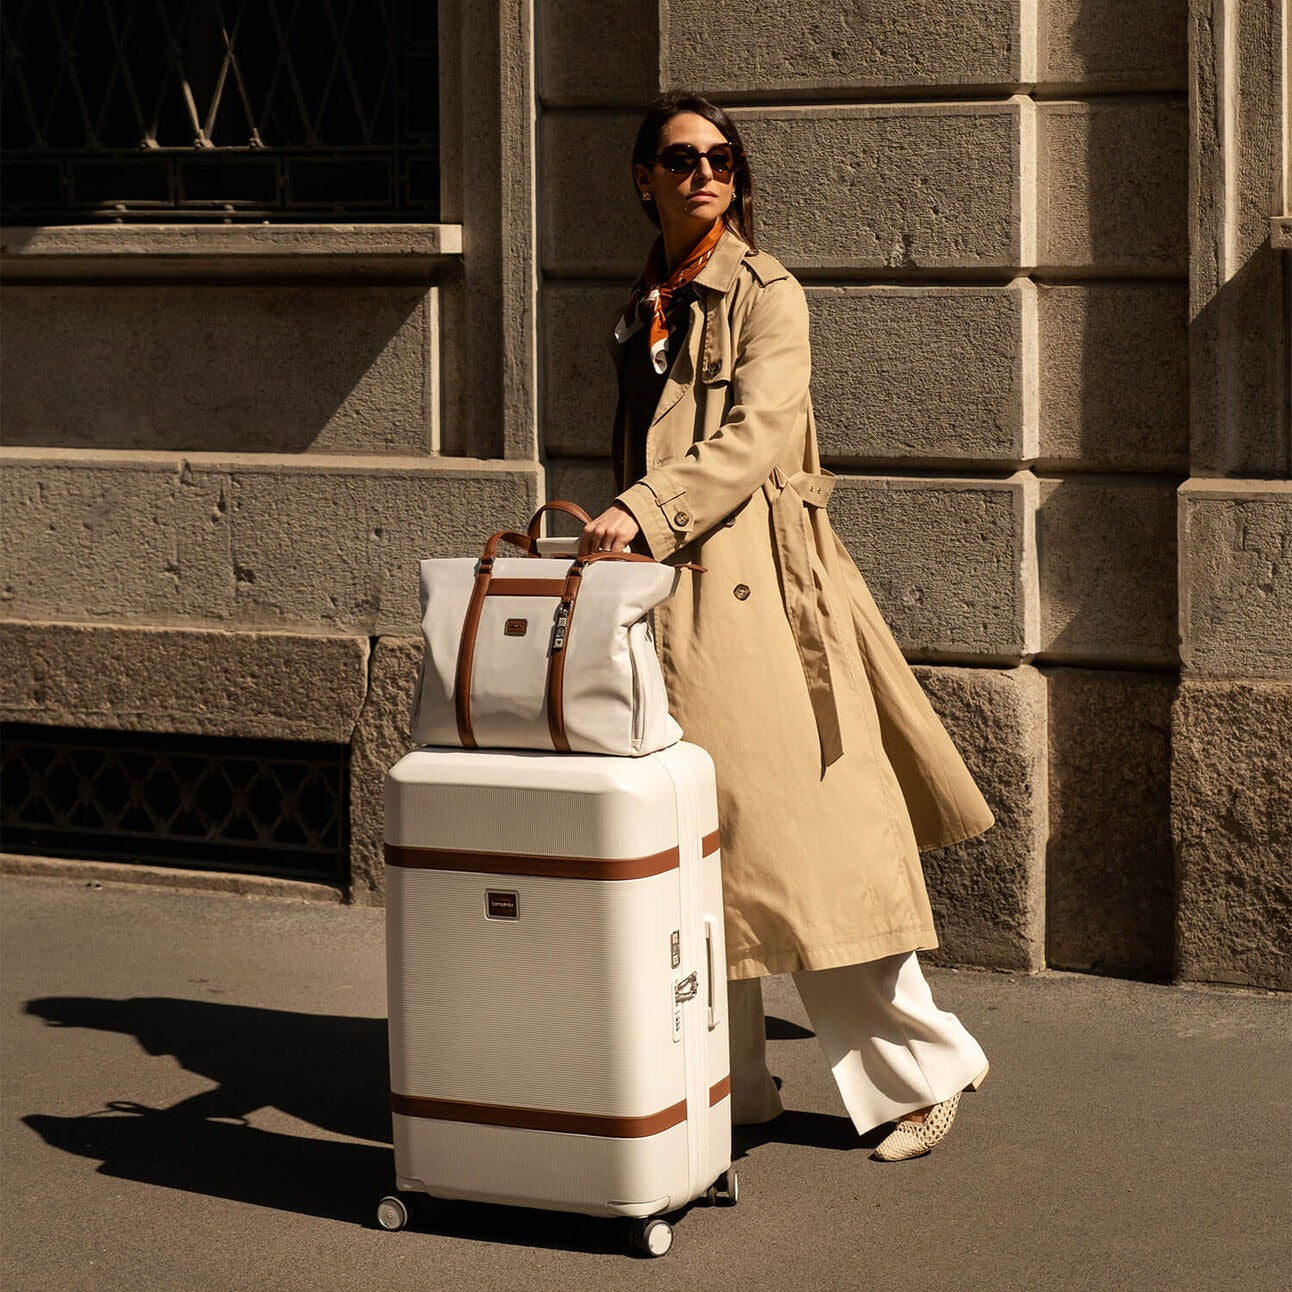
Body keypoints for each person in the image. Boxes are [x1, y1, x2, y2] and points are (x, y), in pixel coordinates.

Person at [580, 91, 994, 1161]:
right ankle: (731, 1081)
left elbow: (759, 435)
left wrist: (645, 508)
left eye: (721, 159)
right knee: (696, 846)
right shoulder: (650, 298)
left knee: (807, 840)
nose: (703, 173)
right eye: (680, 159)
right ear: (644, 178)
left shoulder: (765, 293)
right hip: (666, 593)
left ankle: (925, 1068)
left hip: (754, 588)